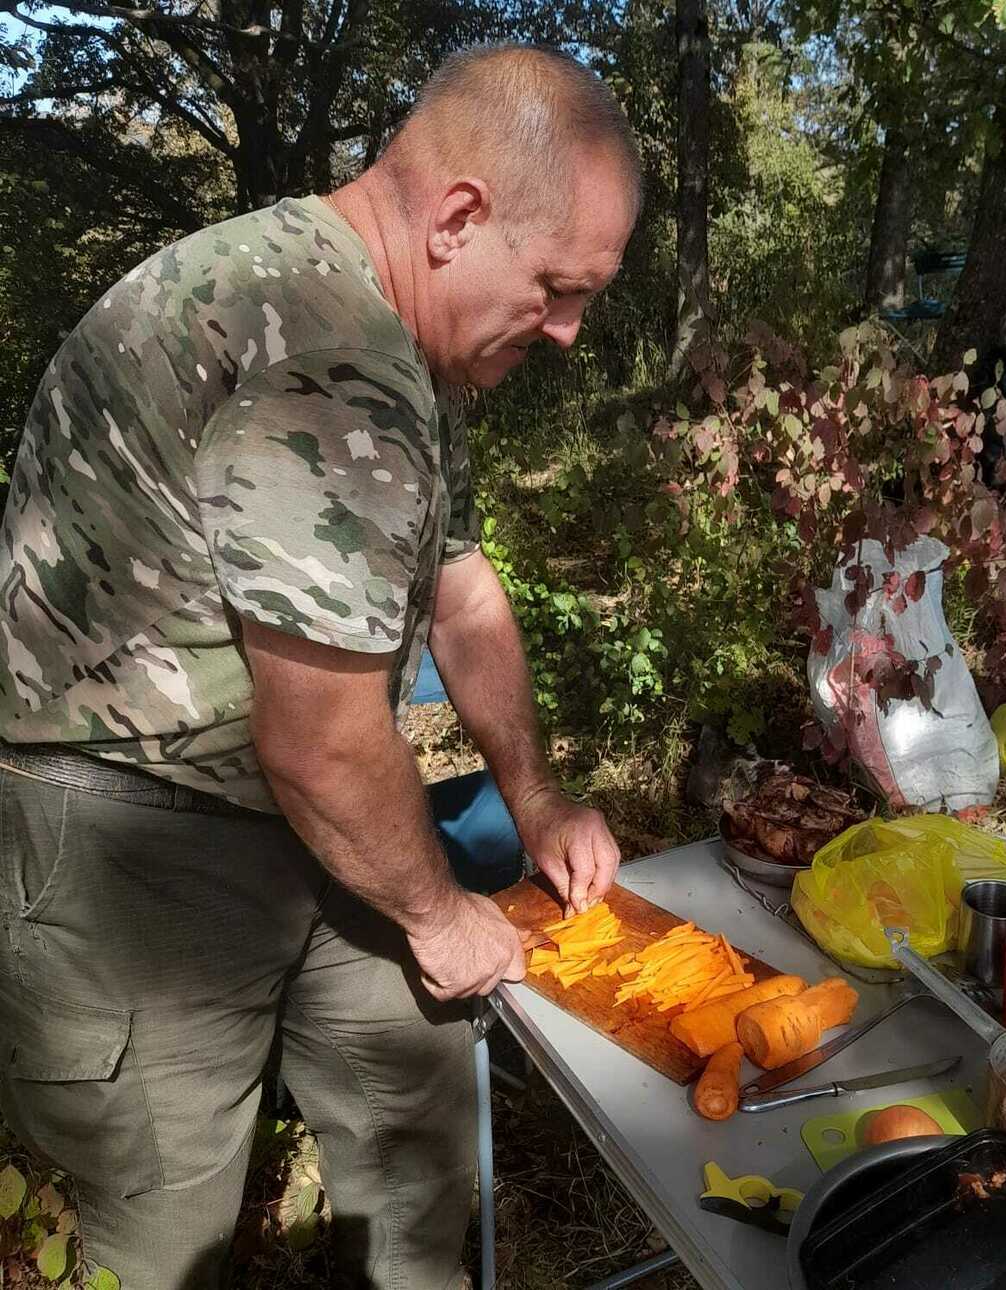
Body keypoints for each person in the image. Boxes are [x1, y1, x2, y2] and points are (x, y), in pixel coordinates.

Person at [0, 42, 638, 1289]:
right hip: (130, 840)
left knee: (415, 1117)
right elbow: (325, 744)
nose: (568, 331)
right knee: (164, 1237)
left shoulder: (405, 334)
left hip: (298, 810)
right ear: (460, 218)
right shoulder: (326, 351)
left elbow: (459, 593)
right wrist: (441, 911)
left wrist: (537, 797)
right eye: (560, 288)